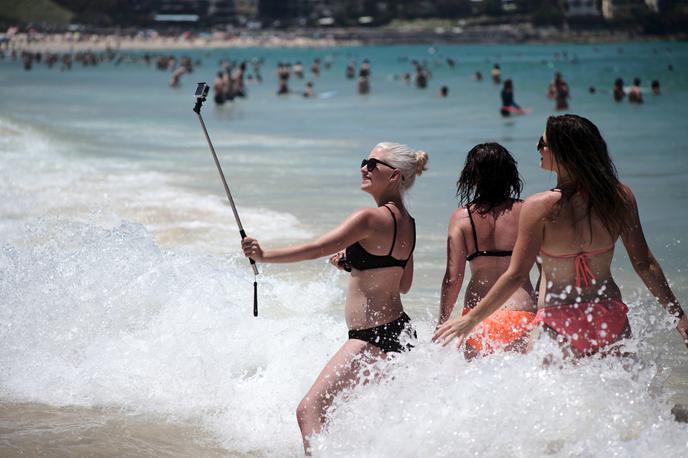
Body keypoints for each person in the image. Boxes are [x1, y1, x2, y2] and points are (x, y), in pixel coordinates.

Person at [434, 114, 688, 358]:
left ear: (561, 151)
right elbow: (644, 263)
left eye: (542, 143)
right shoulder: (620, 197)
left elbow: (516, 275)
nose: (538, 148)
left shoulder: (540, 206)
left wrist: (471, 319)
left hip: (558, 321)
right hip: (608, 314)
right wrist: (678, 315)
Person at [241, 143, 428, 454]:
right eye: (364, 161)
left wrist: (264, 255)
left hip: (372, 338)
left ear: (394, 175)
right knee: (350, 421)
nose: (364, 168)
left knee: (308, 411)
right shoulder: (409, 223)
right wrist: (354, 262)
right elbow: (403, 283)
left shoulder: (369, 219)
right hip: (399, 333)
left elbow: (317, 247)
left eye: (372, 163)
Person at [437, 143, 536, 357]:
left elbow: (453, 279)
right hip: (521, 312)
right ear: (510, 174)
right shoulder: (528, 211)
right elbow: (547, 266)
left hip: (476, 317)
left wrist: (442, 322)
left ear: (471, 176)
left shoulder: (461, 218)